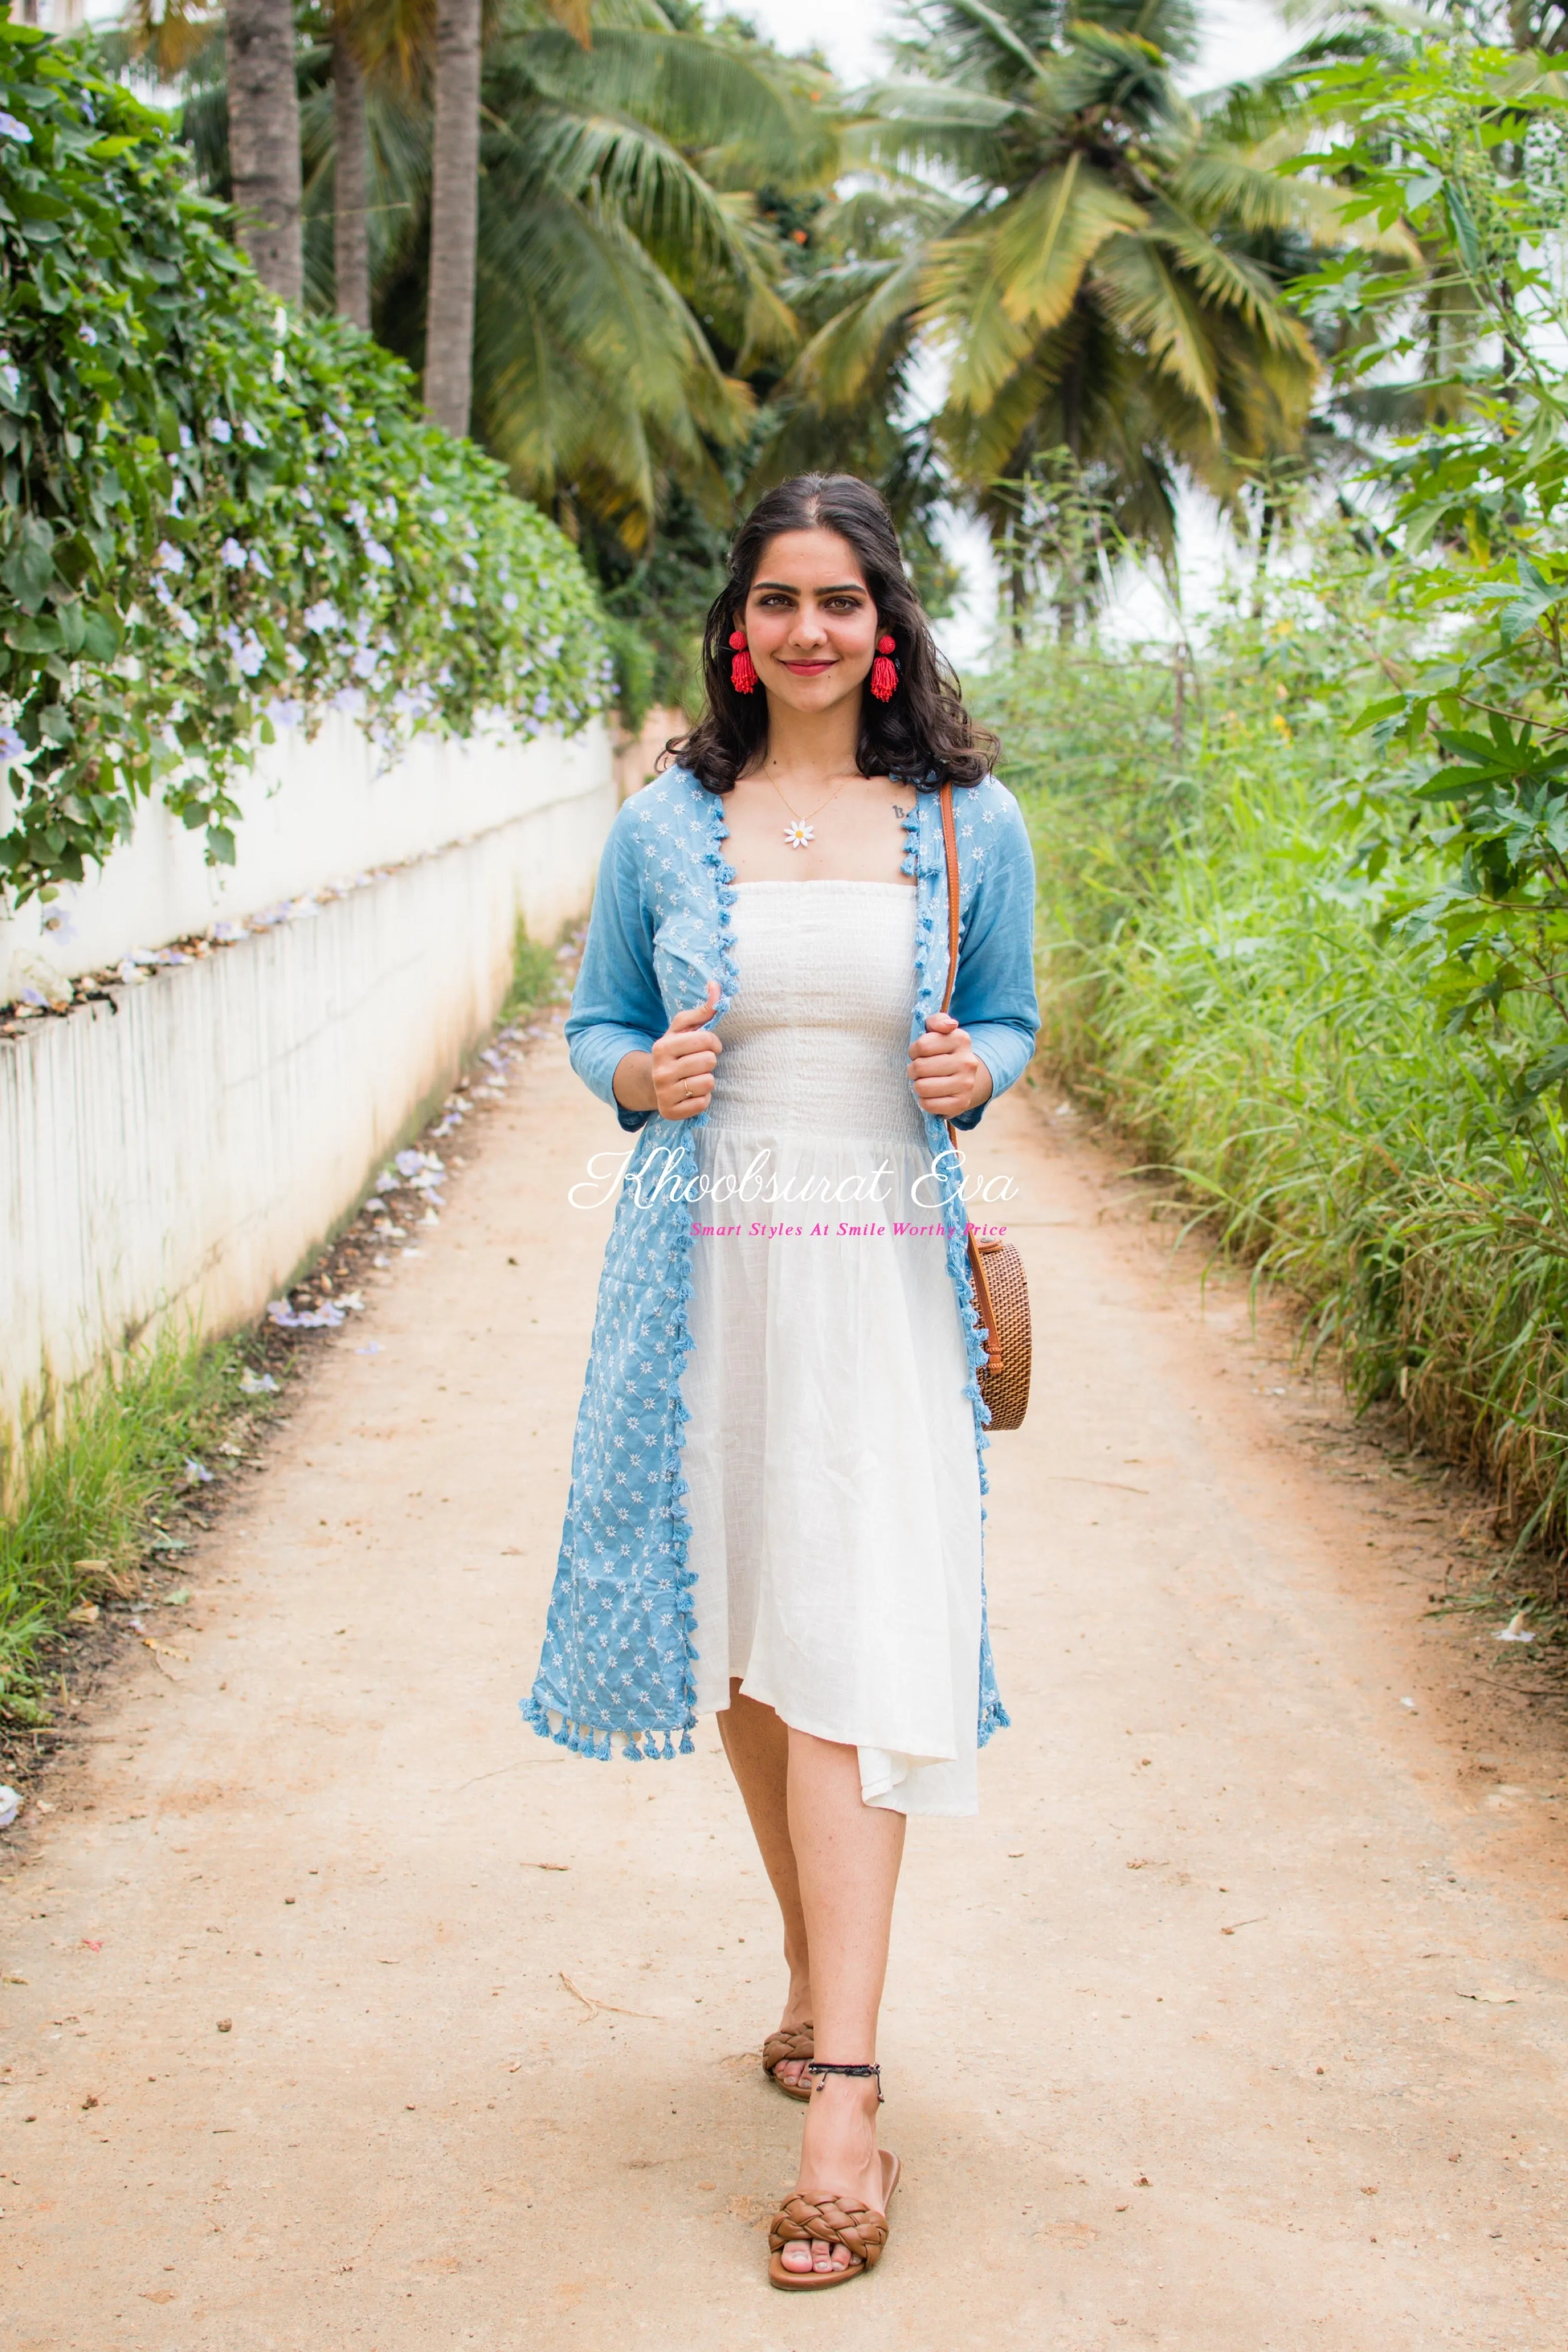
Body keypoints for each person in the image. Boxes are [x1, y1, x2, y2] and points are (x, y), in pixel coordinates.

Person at [525, 474, 1038, 2289]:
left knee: (847, 1650)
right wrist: (629, 1080)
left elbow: (1013, 1018)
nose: (806, 631)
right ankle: (821, 1983)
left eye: (838, 602)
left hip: (879, 1277)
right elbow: (591, 1018)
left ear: (883, 624)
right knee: (744, 1647)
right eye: (775, 602)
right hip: (708, 1272)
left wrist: (982, 1068)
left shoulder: (968, 819)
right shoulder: (671, 822)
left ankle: (848, 2107)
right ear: (736, 629)